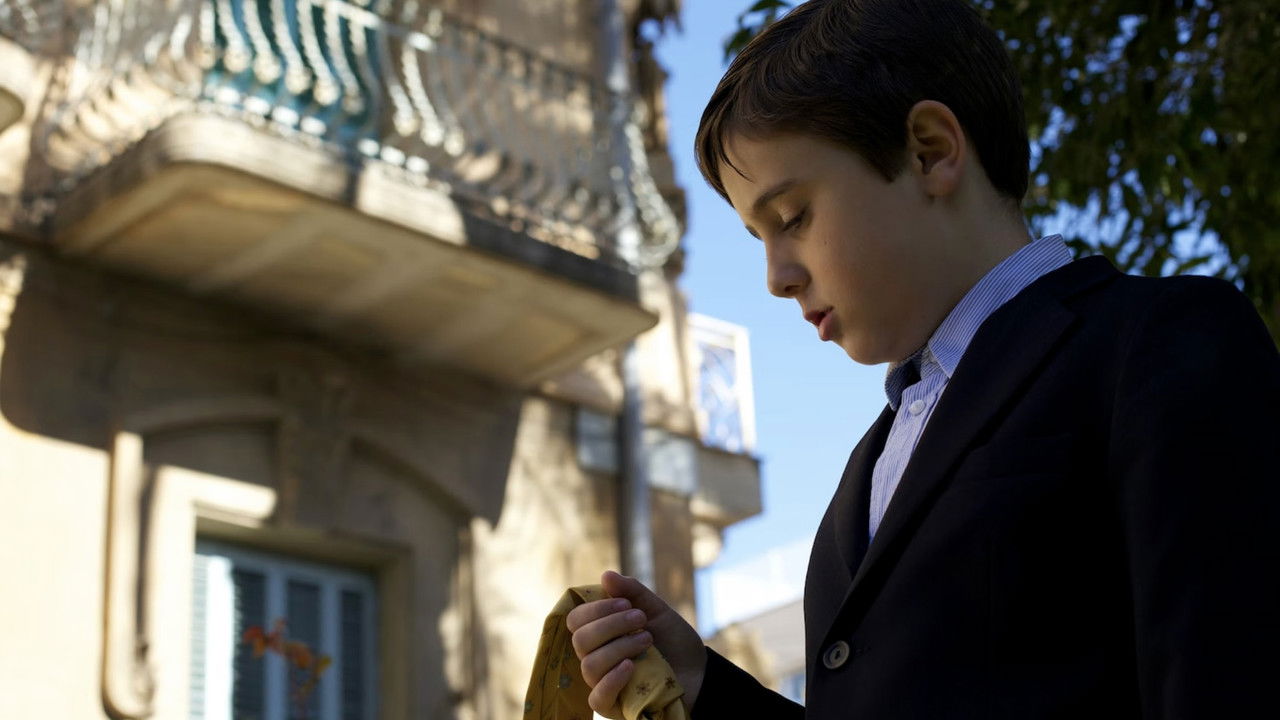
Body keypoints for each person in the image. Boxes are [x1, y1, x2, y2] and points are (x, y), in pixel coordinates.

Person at [567, 0, 1280, 717]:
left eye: (792, 219)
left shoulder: (1157, 343)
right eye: (760, 238)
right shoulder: (863, 479)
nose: (776, 277)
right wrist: (702, 687)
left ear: (930, 151)